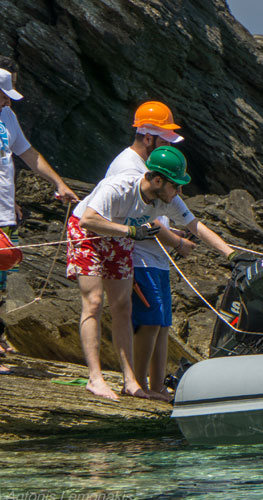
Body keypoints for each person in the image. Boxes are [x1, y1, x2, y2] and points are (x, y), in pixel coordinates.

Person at [67, 146, 236, 401]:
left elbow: (196, 226)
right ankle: (95, 378)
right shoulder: (118, 187)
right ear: (157, 180)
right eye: (175, 186)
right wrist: (131, 232)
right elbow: (88, 220)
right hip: (88, 233)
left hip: (120, 235)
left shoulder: (167, 199)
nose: (179, 192)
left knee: (123, 306)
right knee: (94, 302)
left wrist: (230, 254)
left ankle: (130, 382)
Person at [104, 101, 196, 402]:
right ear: (147, 137)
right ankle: (139, 385)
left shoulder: (151, 164)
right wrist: (177, 242)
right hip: (137, 255)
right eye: (165, 139)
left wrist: (175, 236)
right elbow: (142, 218)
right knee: (149, 320)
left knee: (162, 323)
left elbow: (162, 213)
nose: (169, 145)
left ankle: (157, 386)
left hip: (156, 257)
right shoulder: (128, 166)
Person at [0, 62, 79, 370]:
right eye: (3, 95)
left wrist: (59, 184)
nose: (8, 101)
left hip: (2, 211)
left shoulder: (7, 116)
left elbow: (27, 154)